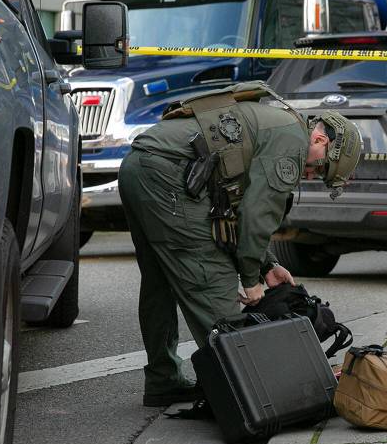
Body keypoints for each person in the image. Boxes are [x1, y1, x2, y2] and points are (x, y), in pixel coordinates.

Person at [118, 83, 362, 406]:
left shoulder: (279, 121)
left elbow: (235, 208)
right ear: (319, 140)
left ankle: (163, 379)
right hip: (168, 177)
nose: (312, 174)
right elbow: (256, 215)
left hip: (139, 167)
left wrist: (268, 265)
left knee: (159, 282)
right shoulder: (292, 142)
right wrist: (251, 281)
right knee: (211, 278)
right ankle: (248, 396)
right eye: (320, 167)